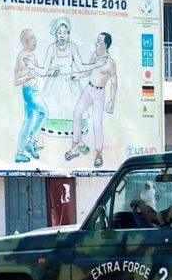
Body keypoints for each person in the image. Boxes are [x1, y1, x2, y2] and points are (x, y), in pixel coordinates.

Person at [38, 17, 94, 148]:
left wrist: (95, 65)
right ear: (56, 34)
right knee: (49, 109)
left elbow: (80, 66)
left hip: (70, 83)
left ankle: (79, 141)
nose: (62, 35)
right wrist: (51, 71)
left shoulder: (73, 47)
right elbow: (45, 69)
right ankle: (39, 140)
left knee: (75, 110)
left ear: (69, 34)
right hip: (54, 84)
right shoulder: (52, 48)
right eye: (59, 33)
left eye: (65, 32)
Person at [65, 32, 117, 168]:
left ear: (106, 45)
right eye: (97, 40)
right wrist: (79, 75)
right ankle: (75, 146)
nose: (96, 43)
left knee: (96, 124)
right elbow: (91, 71)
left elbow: (114, 82)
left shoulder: (110, 63)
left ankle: (98, 153)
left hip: (99, 94)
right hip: (89, 89)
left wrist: (112, 101)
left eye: (99, 41)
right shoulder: (95, 55)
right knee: (77, 113)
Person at [13, 29, 50, 163]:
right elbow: (16, 80)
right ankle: (32, 141)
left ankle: (19, 153)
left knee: (28, 121)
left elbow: (38, 72)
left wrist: (48, 72)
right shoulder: (22, 57)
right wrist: (28, 76)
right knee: (44, 112)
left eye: (35, 38)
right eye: (32, 39)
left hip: (32, 90)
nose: (35, 41)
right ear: (25, 42)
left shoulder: (32, 56)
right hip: (29, 92)